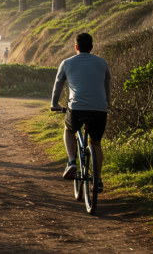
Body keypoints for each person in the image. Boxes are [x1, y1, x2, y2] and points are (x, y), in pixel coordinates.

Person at [51, 33, 111, 192]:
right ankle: (98, 180)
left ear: (76, 47)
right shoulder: (102, 63)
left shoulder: (67, 63)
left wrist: (54, 105)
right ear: (92, 47)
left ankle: (72, 162)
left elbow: (58, 85)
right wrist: (106, 104)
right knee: (96, 143)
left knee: (68, 129)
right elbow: (107, 87)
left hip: (76, 108)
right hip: (99, 109)